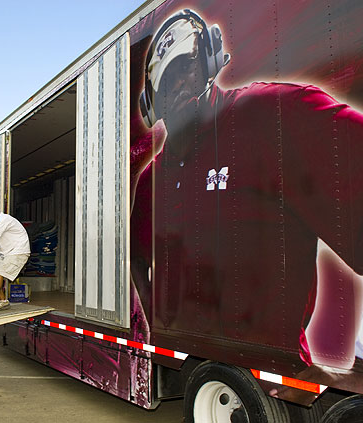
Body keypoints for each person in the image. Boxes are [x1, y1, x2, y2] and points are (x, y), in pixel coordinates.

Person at [130, 8, 363, 372]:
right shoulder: (150, 182)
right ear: (151, 107)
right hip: (189, 358)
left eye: (184, 67)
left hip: (275, 368)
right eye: (165, 83)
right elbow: (138, 258)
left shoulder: (274, 114)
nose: (177, 87)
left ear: (209, 59)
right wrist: (160, 324)